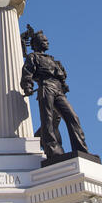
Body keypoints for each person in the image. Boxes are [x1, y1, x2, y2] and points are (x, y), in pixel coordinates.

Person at [20, 30, 89, 159]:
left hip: (58, 90)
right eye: (44, 40)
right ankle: (53, 151)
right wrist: (28, 86)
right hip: (46, 87)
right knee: (48, 120)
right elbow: (27, 72)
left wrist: (63, 86)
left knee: (73, 117)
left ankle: (81, 149)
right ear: (37, 43)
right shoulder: (33, 57)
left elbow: (62, 78)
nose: (47, 42)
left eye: (46, 40)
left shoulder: (53, 60)